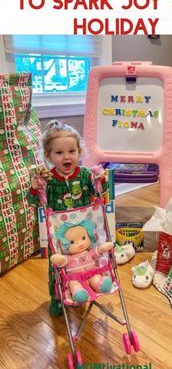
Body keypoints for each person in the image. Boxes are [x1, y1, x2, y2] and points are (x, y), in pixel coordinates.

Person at [27, 119, 108, 317]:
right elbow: (32, 201)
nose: (67, 157)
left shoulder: (86, 175)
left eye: (71, 151)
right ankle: (57, 298)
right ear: (48, 155)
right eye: (59, 152)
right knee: (57, 266)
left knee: (86, 261)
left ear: (79, 152)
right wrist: (35, 188)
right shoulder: (48, 180)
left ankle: (86, 283)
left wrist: (101, 181)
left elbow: (101, 196)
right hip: (59, 235)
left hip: (83, 231)